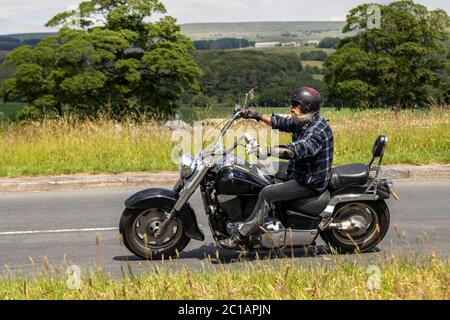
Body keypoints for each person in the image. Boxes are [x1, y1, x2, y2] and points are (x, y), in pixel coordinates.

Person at [218, 87, 334, 250]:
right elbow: (282, 122)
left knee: (268, 193)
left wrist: (267, 151)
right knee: (257, 168)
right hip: (299, 169)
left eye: (296, 104)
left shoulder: (316, 131)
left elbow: (295, 150)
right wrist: (255, 115)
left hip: (309, 181)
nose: (292, 107)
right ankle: (256, 213)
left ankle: (242, 235)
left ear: (307, 107)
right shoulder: (305, 120)